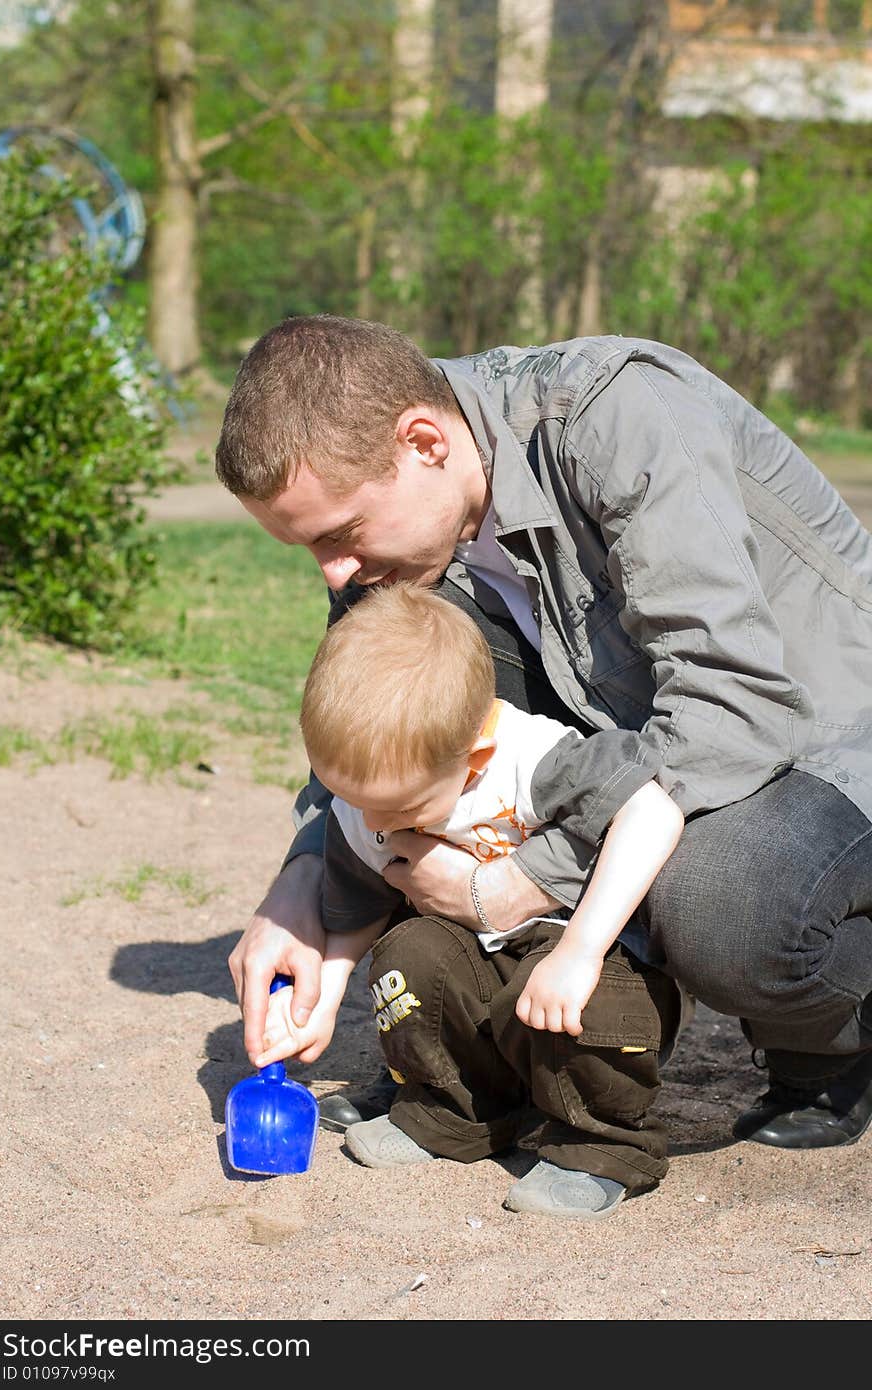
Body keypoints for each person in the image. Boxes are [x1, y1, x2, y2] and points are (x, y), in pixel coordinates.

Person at [216, 314, 872, 1153]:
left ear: (423, 442)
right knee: (419, 728)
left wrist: (529, 874)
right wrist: (301, 881)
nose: (333, 575)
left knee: (723, 907)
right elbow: (372, 722)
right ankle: (464, 1058)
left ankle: (830, 1041)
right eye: (308, 549)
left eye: (340, 536)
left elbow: (733, 706)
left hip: (819, 733)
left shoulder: (614, 417)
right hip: (643, 734)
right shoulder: (409, 514)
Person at [258, 581, 684, 1216]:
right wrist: (323, 997)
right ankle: (455, 1113)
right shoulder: (367, 798)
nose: (378, 821)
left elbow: (653, 811)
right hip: (481, 956)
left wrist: (582, 949)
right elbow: (356, 904)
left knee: (582, 1006)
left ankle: (602, 1144)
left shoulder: (531, 758)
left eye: (400, 808)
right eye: (354, 800)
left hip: (590, 954)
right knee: (408, 956)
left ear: (475, 755)